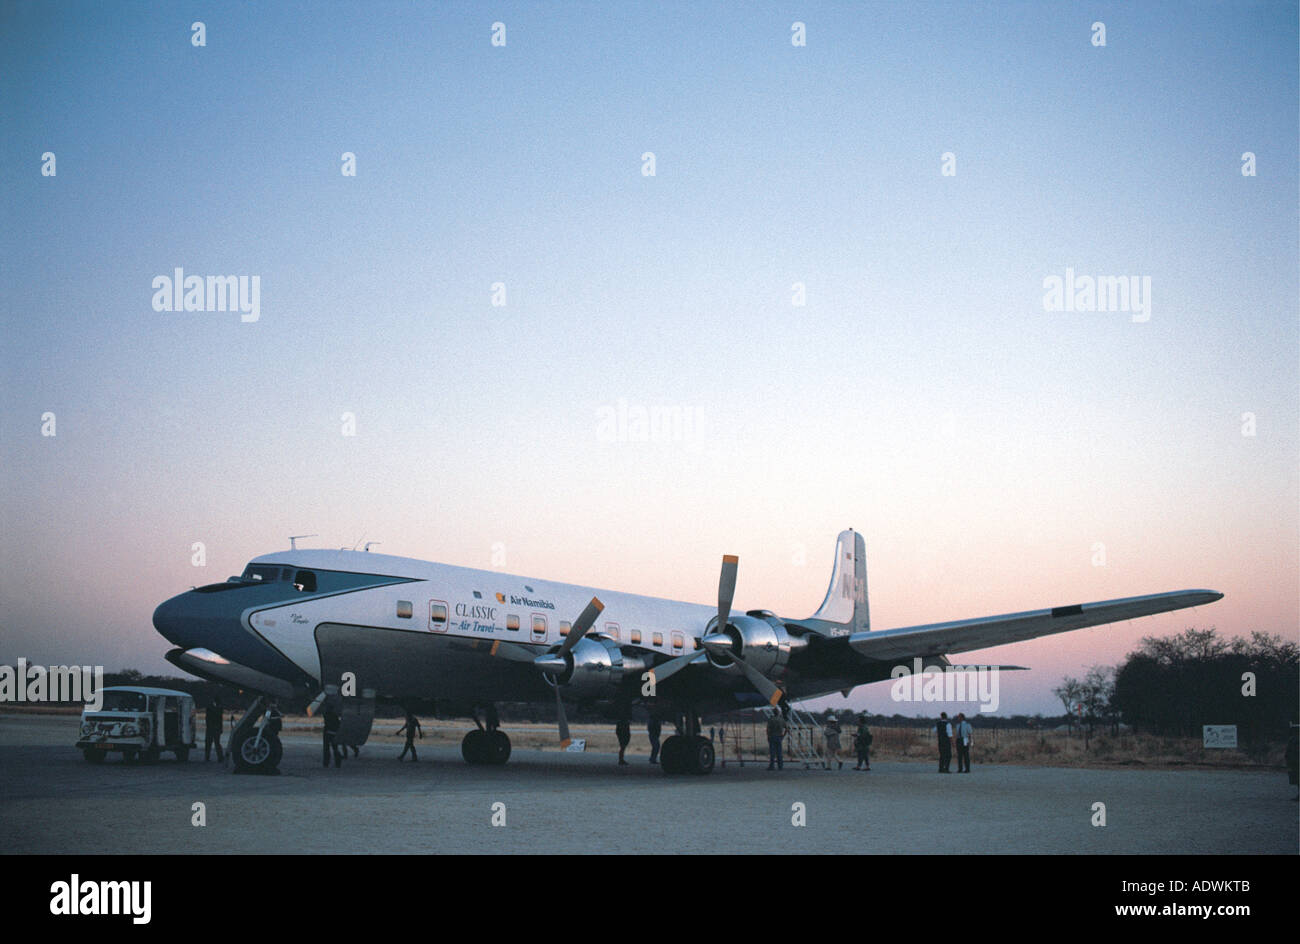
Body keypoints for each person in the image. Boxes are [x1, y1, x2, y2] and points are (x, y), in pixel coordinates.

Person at [204, 696, 224, 762]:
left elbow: (207, 719)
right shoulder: (219, 708)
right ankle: (220, 757)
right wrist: (221, 728)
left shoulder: (210, 708)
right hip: (215, 728)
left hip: (211, 728)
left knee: (209, 743)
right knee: (216, 743)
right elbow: (220, 719)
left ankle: (207, 757)